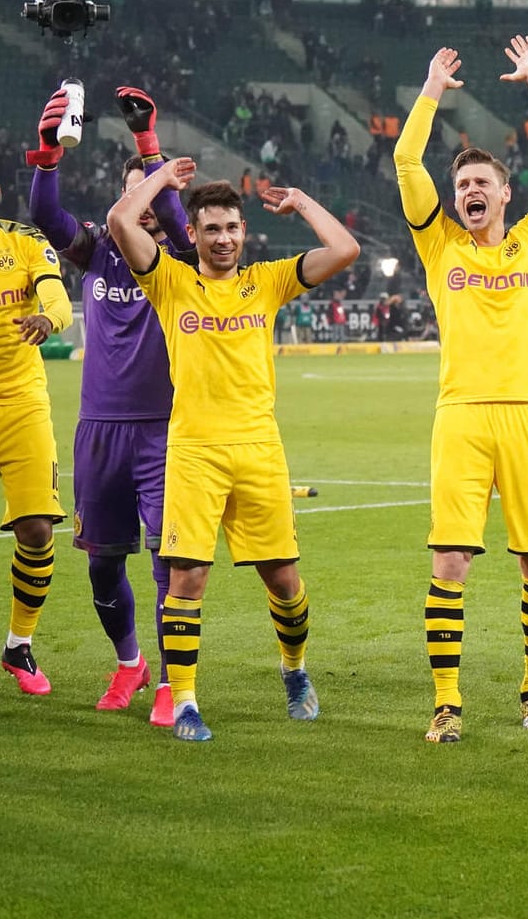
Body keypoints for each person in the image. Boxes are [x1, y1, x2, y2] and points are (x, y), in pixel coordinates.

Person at [109, 160, 360, 741]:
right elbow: (121, 218)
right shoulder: (168, 281)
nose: (224, 239)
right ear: (191, 234)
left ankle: (294, 670)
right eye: (212, 229)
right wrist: (162, 177)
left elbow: (344, 248)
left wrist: (300, 200)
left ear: (245, 232)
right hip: (193, 450)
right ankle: (188, 703)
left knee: (283, 580)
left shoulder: (267, 281)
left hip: (258, 448)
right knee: (186, 579)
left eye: (232, 228)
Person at [395, 38, 528, 744]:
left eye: (482, 183)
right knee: (450, 563)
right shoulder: (439, 245)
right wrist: (432, 88)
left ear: (506, 192)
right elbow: (407, 160)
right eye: (461, 183)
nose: (470, 192)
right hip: (461, 419)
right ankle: (446, 701)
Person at [26, 84, 193, 725]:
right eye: (133, 196)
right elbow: (46, 214)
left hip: (162, 431)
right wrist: (47, 153)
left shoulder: (178, 259)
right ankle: (130, 663)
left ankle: (169, 683)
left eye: (152, 198)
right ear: (118, 204)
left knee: (165, 563)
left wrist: (149, 149)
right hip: (98, 430)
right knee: (102, 568)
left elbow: (177, 221)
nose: (144, 210)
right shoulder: (95, 253)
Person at [0, 155, 72, 698]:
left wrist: (49, 318)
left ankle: (19, 643)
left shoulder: (23, 240)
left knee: (37, 528)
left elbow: (55, 291)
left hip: (21, 402)